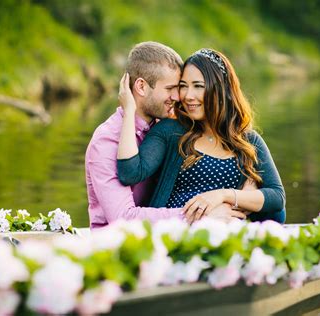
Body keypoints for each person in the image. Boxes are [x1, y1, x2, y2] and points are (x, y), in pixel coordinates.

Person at [85, 42, 248, 229]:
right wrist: (202, 214)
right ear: (141, 87)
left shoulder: (164, 129)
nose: (179, 97)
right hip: (115, 247)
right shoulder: (106, 141)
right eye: (170, 88)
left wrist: (246, 188)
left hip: (161, 238)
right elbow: (123, 218)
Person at [117, 48, 286, 224]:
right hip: (177, 232)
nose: (188, 96)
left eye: (198, 86)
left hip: (227, 236)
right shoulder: (170, 131)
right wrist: (130, 110)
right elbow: (129, 172)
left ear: (221, 89)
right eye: (183, 86)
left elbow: (277, 198)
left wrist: (225, 195)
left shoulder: (247, 140)